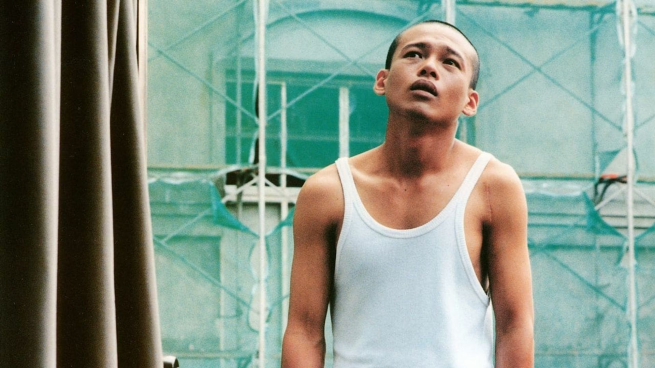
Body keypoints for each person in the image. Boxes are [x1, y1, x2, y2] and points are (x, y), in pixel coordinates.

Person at [281, 20, 534, 367]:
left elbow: (515, 327)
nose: (429, 66)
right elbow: (304, 331)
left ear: (470, 102)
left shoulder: (493, 187)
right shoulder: (328, 192)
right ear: (382, 81)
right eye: (414, 54)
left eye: (450, 62)